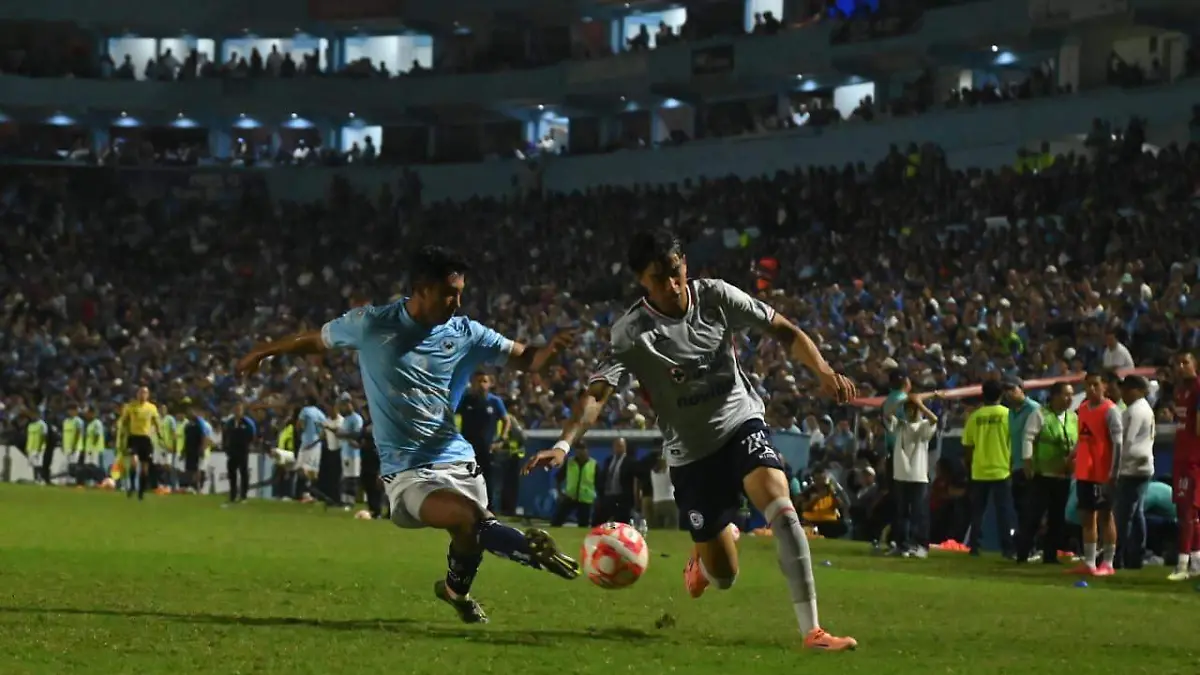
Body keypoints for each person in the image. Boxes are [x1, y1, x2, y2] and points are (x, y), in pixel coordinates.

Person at [525, 230, 858, 651]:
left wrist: (823, 370)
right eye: (658, 277)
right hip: (691, 453)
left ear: (685, 265)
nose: (671, 284)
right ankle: (704, 560)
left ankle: (812, 631)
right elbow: (598, 395)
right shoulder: (631, 333)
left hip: (740, 422)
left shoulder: (716, 296)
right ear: (642, 281)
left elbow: (783, 329)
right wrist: (564, 444)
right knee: (724, 577)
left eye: (675, 272)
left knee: (783, 509)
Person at [236, 245, 580, 625]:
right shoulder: (373, 324)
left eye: (461, 292)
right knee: (470, 519)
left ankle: (455, 591)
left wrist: (547, 352)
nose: (457, 302)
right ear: (422, 288)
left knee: (471, 536)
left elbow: (527, 358)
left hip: (458, 459)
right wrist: (264, 351)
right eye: (450, 293)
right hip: (408, 471)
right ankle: (528, 548)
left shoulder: (466, 332)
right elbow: (315, 340)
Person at [1069, 371, 1123, 576]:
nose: (1091, 389)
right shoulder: (1082, 408)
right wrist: (1072, 455)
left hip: (1102, 472)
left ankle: (1108, 563)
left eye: (1095, 385)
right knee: (1086, 516)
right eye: (1088, 385)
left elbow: (1118, 444)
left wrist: (1113, 473)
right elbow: (1083, 436)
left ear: (1105, 387)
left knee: (1105, 516)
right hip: (1085, 470)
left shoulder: (1110, 411)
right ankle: (1089, 562)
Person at [1016, 382, 1076, 564]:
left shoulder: (1073, 417)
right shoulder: (1040, 414)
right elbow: (1028, 437)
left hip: (1064, 474)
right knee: (1033, 516)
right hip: (1042, 474)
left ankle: (1051, 555)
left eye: (1071, 395)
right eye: (1066, 394)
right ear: (1055, 396)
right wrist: (1028, 462)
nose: (1069, 399)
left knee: (1057, 518)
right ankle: (1023, 553)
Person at [962, 380, 1015, 557]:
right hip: (1002, 468)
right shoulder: (1008, 415)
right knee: (1004, 512)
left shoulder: (975, 417)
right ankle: (1007, 549)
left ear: (983, 395)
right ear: (1001, 395)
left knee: (977, 512)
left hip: (979, 469)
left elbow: (967, 445)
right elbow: (1013, 442)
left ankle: (974, 547)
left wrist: (970, 464)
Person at [884, 394, 938, 558]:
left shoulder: (923, 426)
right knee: (901, 513)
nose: (910, 412)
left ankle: (920, 545)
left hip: (918, 475)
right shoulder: (901, 425)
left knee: (918, 513)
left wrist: (920, 405)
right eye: (908, 409)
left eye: (913, 409)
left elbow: (934, 419)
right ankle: (902, 545)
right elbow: (887, 413)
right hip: (900, 475)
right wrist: (903, 400)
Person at [1115, 375, 1155, 569]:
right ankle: (1135, 555)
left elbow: (1126, 441)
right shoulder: (1141, 408)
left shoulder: (1136, 410)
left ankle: (1119, 555)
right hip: (1141, 465)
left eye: (1127, 389)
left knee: (1124, 515)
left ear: (1137, 390)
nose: (1123, 393)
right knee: (1136, 513)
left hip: (1133, 467)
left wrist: (1115, 465)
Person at [456, 372, 510, 507]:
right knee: (465, 478)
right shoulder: (466, 400)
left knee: (487, 478)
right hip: (467, 447)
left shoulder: (495, 401)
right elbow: (451, 415)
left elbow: (506, 420)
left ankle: (488, 509)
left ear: (491, 384)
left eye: (484, 381)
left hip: (487, 447)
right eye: (478, 381)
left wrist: (501, 439)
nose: (481, 384)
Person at [1169, 352, 1200, 580]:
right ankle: (1197, 562)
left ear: (1195, 365)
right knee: (1191, 513)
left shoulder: (1198, 389)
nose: (1181, 367)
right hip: (1181, 457)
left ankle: (1182, 564)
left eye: (1185, 363)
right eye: (1178, 363)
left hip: (1192, 459)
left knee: (1186, 512)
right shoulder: (1179, 391)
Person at [118, 386, 162, 501]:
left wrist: (159, 435)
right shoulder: (130, 406)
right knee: (134, 462)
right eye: (140, 392)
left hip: (146, 439)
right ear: (137, 394)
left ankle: (141, 492)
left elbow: (157, 422)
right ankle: (132, 485)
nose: (142, 395)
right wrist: (123, 433)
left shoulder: (152, 408)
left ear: (148, 395)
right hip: (134, 438)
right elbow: (124, 421)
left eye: (145, 393)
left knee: (145, 468)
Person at [551, 443, 597, 527]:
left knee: (583, 525)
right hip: (570, 496)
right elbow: (558, 478)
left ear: (587, 450)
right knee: (556, 521)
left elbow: (599, 483)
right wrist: (560, 493)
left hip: (585, 499)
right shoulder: (569, 462)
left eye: (583, 449)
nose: (581, 452)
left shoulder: (593, 464)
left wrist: (598, 499)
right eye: (578, 449)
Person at [223, 402, 257, 505]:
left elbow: (253, 435)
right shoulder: (229, 422)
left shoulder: (248, 422)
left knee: (243, 473)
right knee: (232, 474)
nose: (237, 412)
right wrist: (226, 448)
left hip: (243, 451)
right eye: (236, 410)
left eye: (239, 410)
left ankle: (243, 496)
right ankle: (233, 495)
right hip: (232, 452)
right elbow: (225, 435)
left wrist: (248, 446)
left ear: (242, 411)